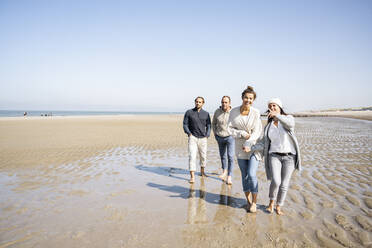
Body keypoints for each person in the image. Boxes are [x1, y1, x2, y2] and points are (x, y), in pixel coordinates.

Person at [252, 98, 301, 215]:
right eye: (270, 106)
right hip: (274, 156)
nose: (272, 108)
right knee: (276, 181)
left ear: (280, 107)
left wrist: (277, 116)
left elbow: (290, 124)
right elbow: (264, 143)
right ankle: (271, 203)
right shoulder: (268, 126)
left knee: (284, 184)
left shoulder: (288, 119)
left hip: (290, 157)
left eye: (274, 106)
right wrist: (251, 147)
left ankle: (279, 206)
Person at [227, 86, 262, 213]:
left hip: (253, 148)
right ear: (242, 98)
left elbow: (258, 131)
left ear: (253, 100)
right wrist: (241, 133)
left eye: (251, 98)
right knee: (244, 176)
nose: (248, 100)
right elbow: (229, 129)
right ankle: (247, 201)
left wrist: (249, 142)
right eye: (246, 97)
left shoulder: (256, 112)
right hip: (240, 148)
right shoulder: (234, 112)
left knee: (252, 174)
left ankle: (254, 202)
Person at [183, 96, 211, 183]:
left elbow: (209, 125)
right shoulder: (189, 112)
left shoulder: (206, 114)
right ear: (195, 102)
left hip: (203, 138)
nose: (198, 103)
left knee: (203, 157)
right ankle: (192, 177)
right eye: (197, 102)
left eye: (200, 102)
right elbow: (185, 124)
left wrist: (207, 134)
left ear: (203, 103)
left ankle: (202, 172)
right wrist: (189, 133)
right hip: (193, 138)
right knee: (192, 156)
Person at [212, 96, 235, 185]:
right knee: (223, 156)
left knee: (230, 156)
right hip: (220, 136)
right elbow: (213, 123)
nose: (224, 104)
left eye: (226, 102)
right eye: (222, 102)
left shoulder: (233, 112)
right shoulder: (217, 111)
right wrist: (215, 133)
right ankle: (224, 171)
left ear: (229, 103)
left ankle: (229, 176)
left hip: (230, 137)